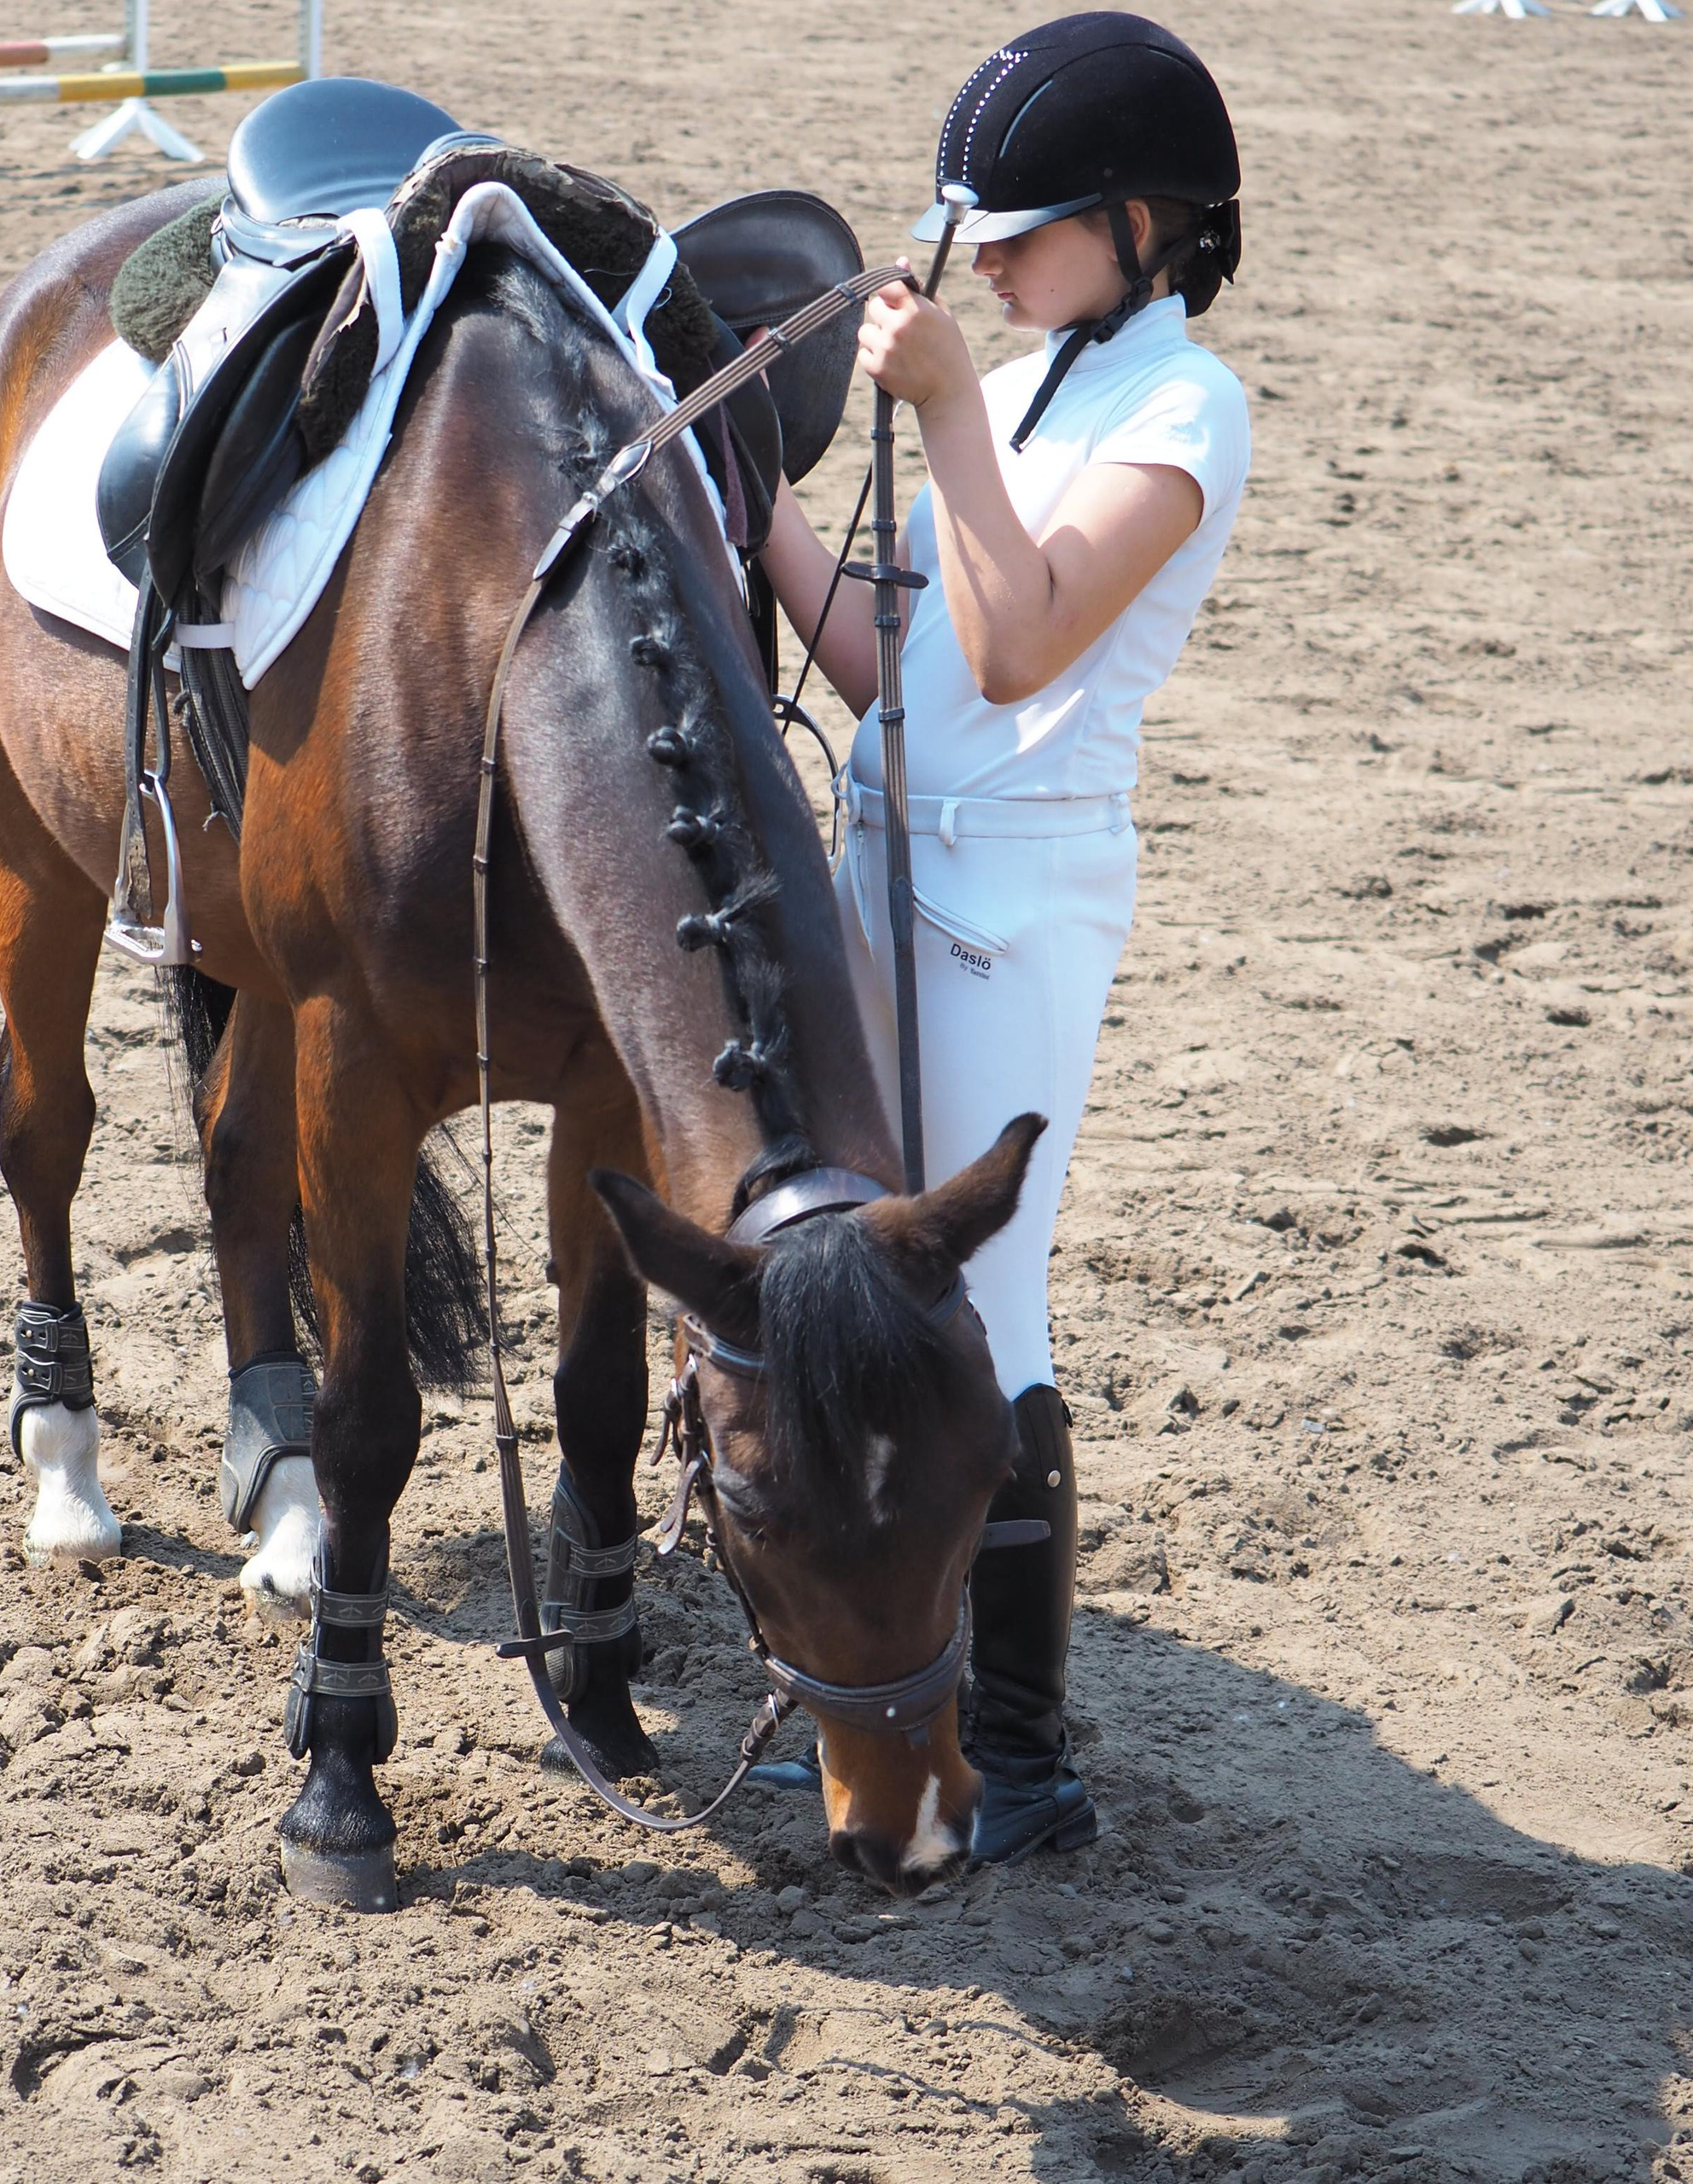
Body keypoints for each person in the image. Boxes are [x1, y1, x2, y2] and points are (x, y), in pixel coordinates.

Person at [754, 11, 1251, 1862]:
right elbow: (900, 671)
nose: (994, 265)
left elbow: (1030, 642)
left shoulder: (1182, 412)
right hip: (888, 841)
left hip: (1015, 897)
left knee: (978, 1293)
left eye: (1027, 233)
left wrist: (951, 406)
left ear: (1139, 222)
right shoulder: (1042, 380)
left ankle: (1029, 1762)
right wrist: (766, 529)